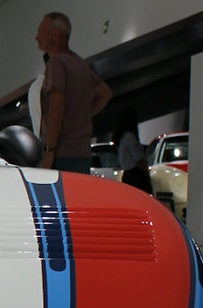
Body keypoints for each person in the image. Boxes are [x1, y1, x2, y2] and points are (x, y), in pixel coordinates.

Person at [34, 13, 112, 173]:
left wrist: (48, 151)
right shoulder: (80, 64)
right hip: (82, 152)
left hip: (61, 154)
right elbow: (105, 93)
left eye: (40, 31)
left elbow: (56, 109)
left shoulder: (56, 63)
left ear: (55, 35)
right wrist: (82, 115)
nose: (36, 37)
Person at [115, 106, 152, 194]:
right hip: (135, 175)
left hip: (128, 174)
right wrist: (147, 174)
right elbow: (138, 159)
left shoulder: (121, 137)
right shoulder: (130, 137)